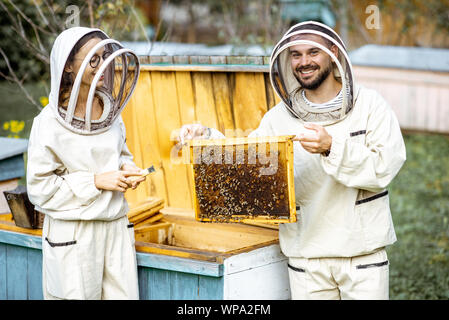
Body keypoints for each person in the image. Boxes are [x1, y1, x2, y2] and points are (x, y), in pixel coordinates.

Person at [178, 21, 406, 300]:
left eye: (313, 52)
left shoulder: (370, 105)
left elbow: (384, 167)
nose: (304, 62)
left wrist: (332, 147)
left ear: (333, 52)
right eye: (296, 55)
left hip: (362, 256)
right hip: (306, 259)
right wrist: (207, 138)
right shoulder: (279, 117)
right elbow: (248, 160)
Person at [27, 27, 144, 300]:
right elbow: (40, 189)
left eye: (104, 57)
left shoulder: (111, 113)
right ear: (68, 65)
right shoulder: (48, 124)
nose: (103, 66)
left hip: (116, 229)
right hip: (74, 233)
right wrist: (94, 181)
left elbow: (121, 154)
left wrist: (128, 168)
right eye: (93, 59)